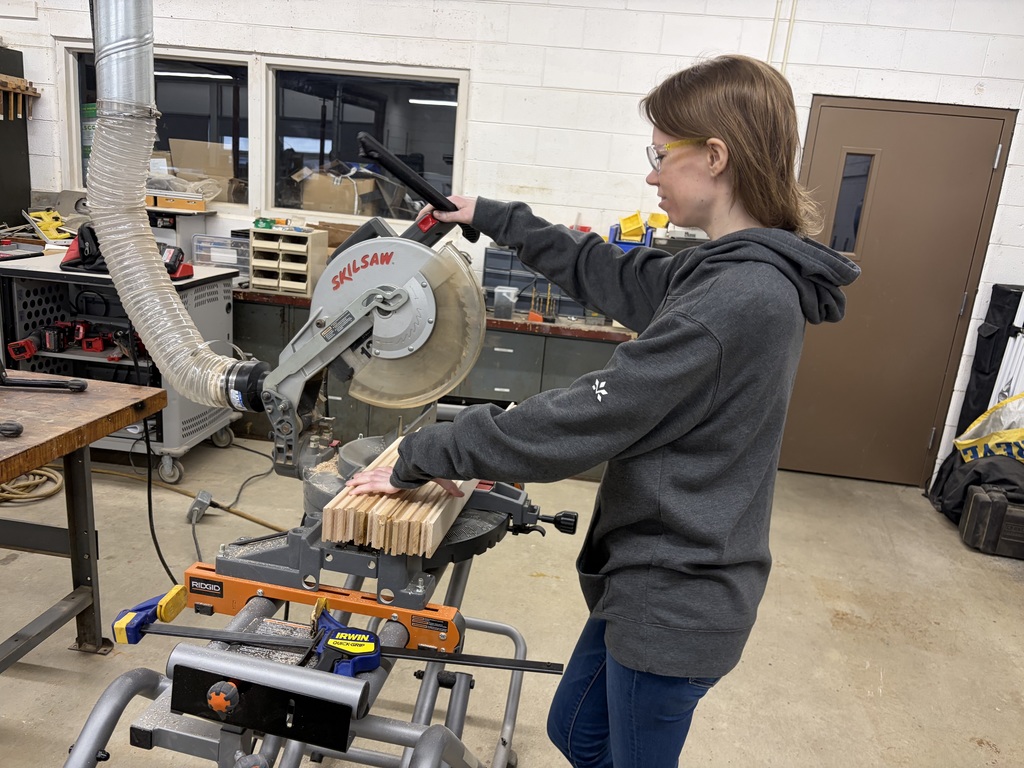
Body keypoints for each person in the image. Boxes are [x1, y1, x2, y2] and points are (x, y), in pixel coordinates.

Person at [346, 54, 861, 767]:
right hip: (649, 574)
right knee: (576, 732)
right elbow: (611, 273)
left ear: (715, 156)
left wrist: (426, 451)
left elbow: (583, 418)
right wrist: (495, 218)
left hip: (677, 596)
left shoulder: (739, 298)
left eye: (661, 155)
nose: (652, 176)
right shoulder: (724, 271)